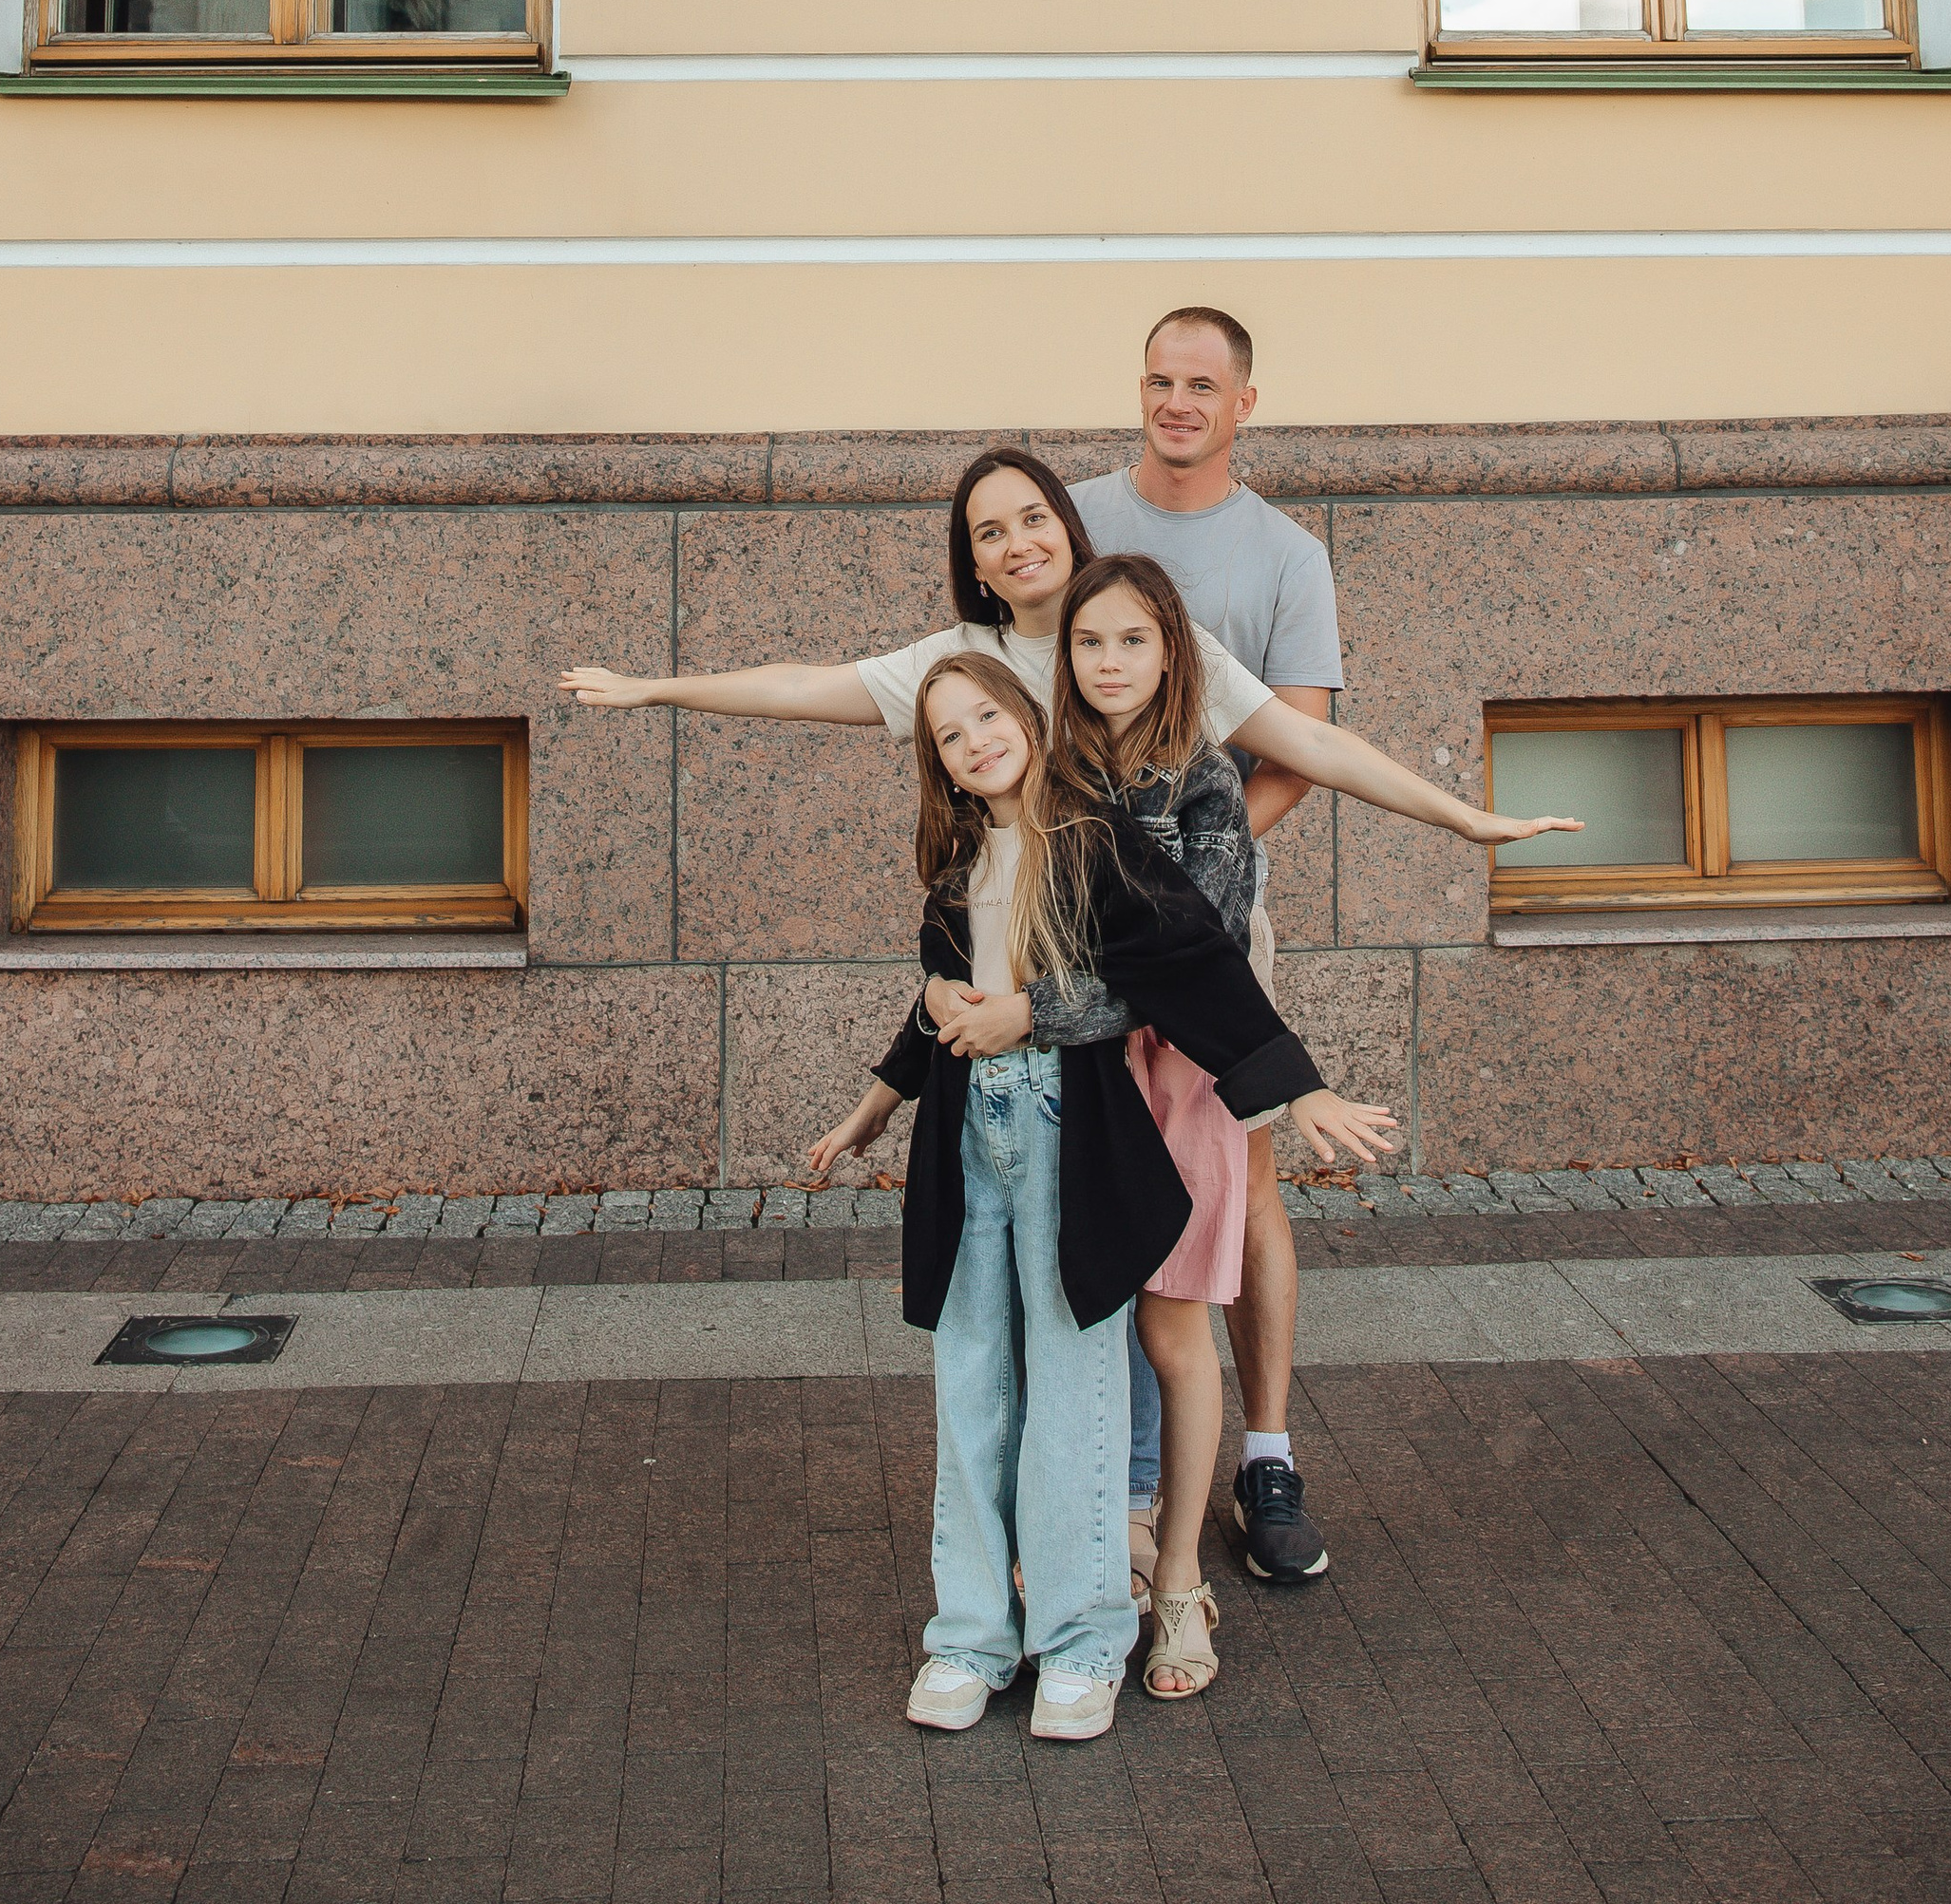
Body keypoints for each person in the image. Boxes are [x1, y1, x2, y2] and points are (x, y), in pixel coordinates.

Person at [563, 426, 1578, 1584]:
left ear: (1068, 522)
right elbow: (810, 685)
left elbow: (1307, 743)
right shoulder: (969, 664)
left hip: (1180, 996)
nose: (1018, 543)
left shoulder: (1146, 635)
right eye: (989, 532)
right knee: (1089, 1268)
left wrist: (1464, 818)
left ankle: (1209, 1498)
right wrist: (657, 687)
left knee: (1183, 1262)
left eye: (1032, 516)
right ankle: (1109, 1520)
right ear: (974, 563)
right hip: (1060, 1028)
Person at [805, 653, 1397, 1741]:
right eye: (948, 734)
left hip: (1069, 1133)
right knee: (971, 1385)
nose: (975, 740)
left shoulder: (1098, 840)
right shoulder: (957, 865)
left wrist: (1299, 1087)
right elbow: (937, 999)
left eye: (987, 714)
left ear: (1028, 718)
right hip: (965, 1142)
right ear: (937, 765)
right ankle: (969, 1637)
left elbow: (1192, 964)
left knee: (1077, 1389)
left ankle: (1082, 1641)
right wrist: (871, 1108)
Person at [1072, 305, 1345, 1584]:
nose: (1175, 401)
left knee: (1247, 1185)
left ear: (1244, 403)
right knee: (1110, 1183)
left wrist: (1181, 880)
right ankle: (1121, 1480)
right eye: (1158, 379)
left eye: (1200, 383)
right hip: (1076, 929)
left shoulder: (1285, 554)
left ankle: (1267, 1457)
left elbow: (1299, 745)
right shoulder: (1076, 520)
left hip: (1214, 926)